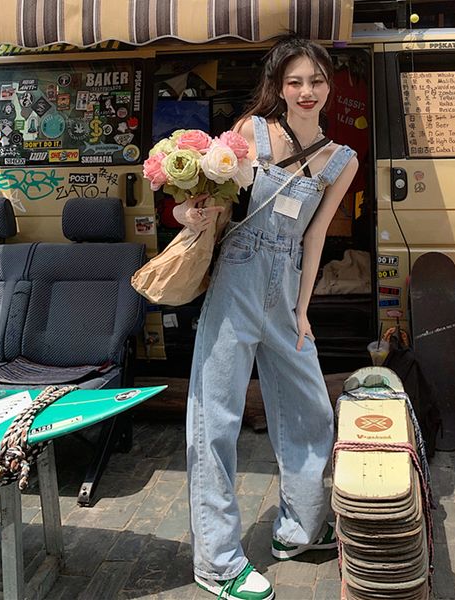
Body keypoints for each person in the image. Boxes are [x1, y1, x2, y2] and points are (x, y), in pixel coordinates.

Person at [175, 36, 358, 600]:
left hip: (285, 287)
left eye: (317, 81)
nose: (307, 91)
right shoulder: (251, 133)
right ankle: (217, 561)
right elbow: (209, 202)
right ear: (279, 86)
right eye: (295, 81)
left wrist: (302, 310)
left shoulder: (342, 160)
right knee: (216, 418)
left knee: (311, 407)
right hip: (236, 279)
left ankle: (298, 529)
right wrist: (188, 212)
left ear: (329, 86)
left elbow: (315, 236)